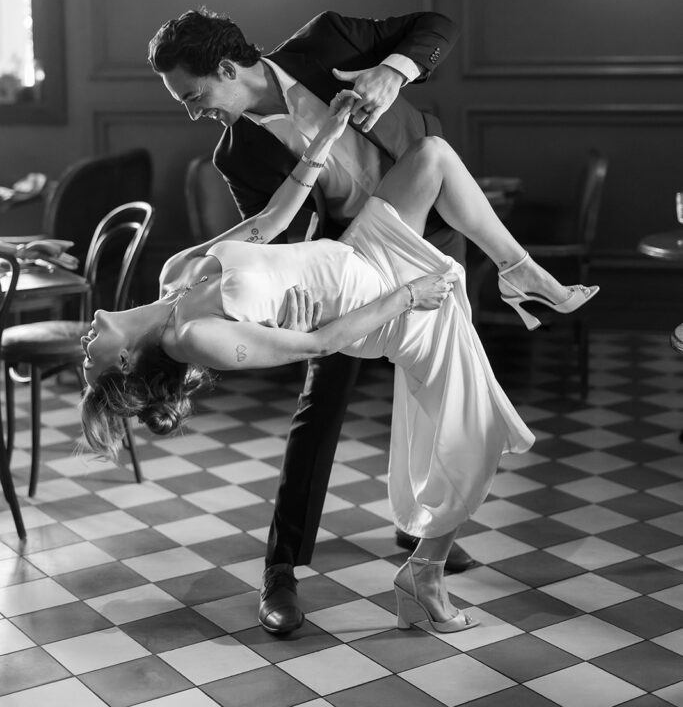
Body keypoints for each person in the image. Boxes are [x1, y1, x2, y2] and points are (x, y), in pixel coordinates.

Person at [79, 91, 597, 635]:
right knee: (476, 421)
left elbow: (272, 219)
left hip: (358, 251)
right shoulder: (193, 338)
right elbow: (317, 346)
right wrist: (406, 298)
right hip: (379, 306)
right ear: (122, 359)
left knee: (432, 155)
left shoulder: (175, 273)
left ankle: (520, 272)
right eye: (88, 358)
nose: (84, 340)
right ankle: (426, 574)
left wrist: (326, 136)